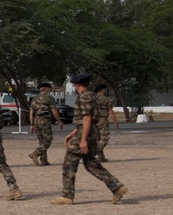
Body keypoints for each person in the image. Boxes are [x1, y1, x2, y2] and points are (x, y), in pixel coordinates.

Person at [51, 74, 127, 206]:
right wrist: (72, 133)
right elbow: (86, 119)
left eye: (74, 85)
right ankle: (116, 187)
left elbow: (87, 119)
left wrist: (83, 140)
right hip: (89, 131)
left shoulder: (85, 97)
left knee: (69, 164)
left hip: (85, 133)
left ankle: (67, 195)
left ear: (77, 84)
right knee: (91, 163)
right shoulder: (92, 96)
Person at [28, 82, 63, 166]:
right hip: (44, 120)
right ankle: (36, 153)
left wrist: (32, 124)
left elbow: (31, 112)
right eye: (49, 88)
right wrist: (59, 121)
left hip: (36, 120)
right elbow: (54, 111)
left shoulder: (34, 99)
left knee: (41, 141)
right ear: (46, 89)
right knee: (48, 140)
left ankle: (44, 160)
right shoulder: (49, 98)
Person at [93, 83, 118, 161]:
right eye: (104, 89)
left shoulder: (91, 99)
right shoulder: (106, 100)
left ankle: (101, 157)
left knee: (97, 139)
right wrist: (115, 121)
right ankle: (93, 153)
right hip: (102, 120)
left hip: (93, 120)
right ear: (102, 90)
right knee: (104, 138)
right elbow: (110, 111)